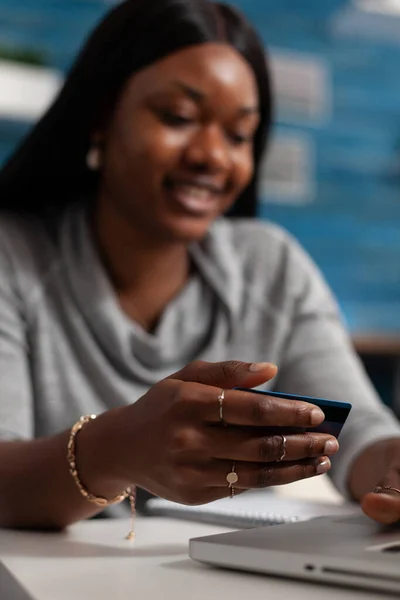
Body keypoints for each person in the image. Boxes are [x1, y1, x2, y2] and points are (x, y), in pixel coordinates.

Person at [0, 0, 399, 532]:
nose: (213, 155)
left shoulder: (268, 264)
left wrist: (391, 469)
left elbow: (359, 431)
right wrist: (116, 449)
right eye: (179, 117)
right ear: (100, 117)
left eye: (238, 135)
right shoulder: (13, 256)